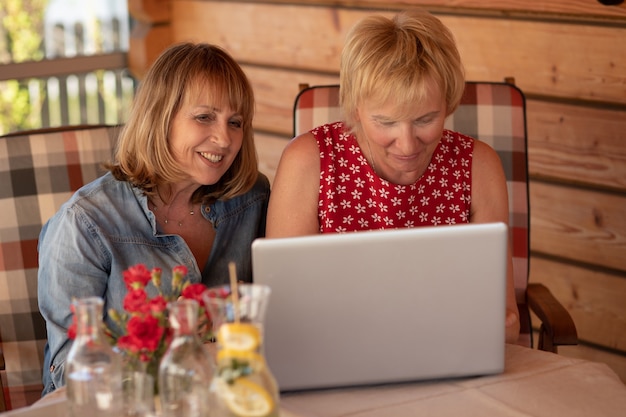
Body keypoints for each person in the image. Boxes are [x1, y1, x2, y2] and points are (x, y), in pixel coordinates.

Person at [266, 9, 520, 343]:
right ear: (356, 108)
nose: (407, 143)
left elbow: (507, 325)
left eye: (426, 119)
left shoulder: (478, 167)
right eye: (386, 122)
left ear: (449, 103)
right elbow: (284, 315)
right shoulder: (308, 162)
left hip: (448, 356)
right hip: (335, 355)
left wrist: (495, 324)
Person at [38, 42, 270, 395]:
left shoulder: (251, 199)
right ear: (161, 116)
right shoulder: (85, 223)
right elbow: (69, 373)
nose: (224, 139)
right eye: (204, 116)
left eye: (235, 122)